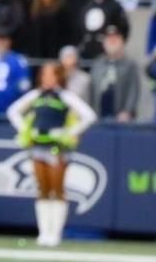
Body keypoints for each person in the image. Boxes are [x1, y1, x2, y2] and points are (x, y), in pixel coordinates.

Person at [7, 63, 97, 248]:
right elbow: (13, 111)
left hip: (57, 147)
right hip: (38, 145)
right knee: (42, 188)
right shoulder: (36, 95)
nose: (47, 78)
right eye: (44, 75)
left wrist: (69, 132)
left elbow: (89, 116)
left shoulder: (65, 96)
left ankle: (55, 233)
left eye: (51, 75)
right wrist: (26, 129)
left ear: (58, 77)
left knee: (57, 189)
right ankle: (44, 233)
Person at [87, 25, 146, 122]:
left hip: (120, 116)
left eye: (115, 38)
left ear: (121, 41)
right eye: (109, 38)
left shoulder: (129, 64)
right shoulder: (98, 64)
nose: (112, 41)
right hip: (99, 114)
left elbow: (134, 90)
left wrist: (127, 111)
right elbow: (91, 89)